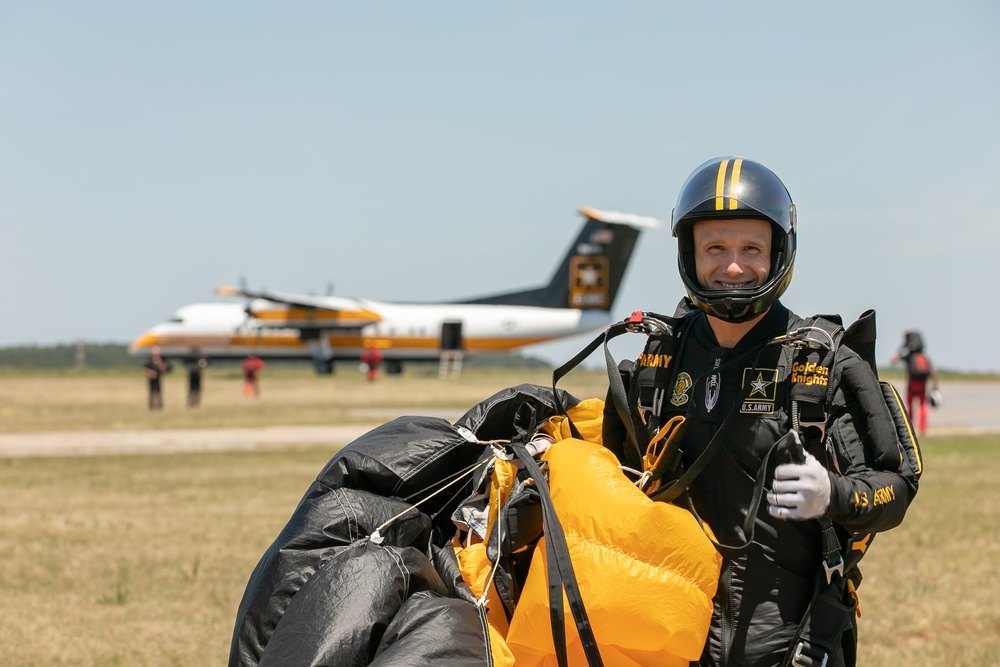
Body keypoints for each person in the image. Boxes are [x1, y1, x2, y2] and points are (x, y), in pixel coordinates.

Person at [603, 157, 920, 666]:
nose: (733, 265)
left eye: (751, 248)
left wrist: (834, 494)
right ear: (691, 254)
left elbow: (895, 489)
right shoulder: (659, 361)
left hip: (795, 646)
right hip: (673, 642)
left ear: (777, 254)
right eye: (716, 248)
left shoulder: (822, 361)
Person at [891, 331, 938, 433]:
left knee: (910, 405)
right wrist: (935, 386)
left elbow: (893, 360)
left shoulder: (909, 357)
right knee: (922, 405)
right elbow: (933, 371)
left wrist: (901, 348)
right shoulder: (924, 357)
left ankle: (910, 426)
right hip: (922, 384)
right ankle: (922, 427)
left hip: (912, 384)